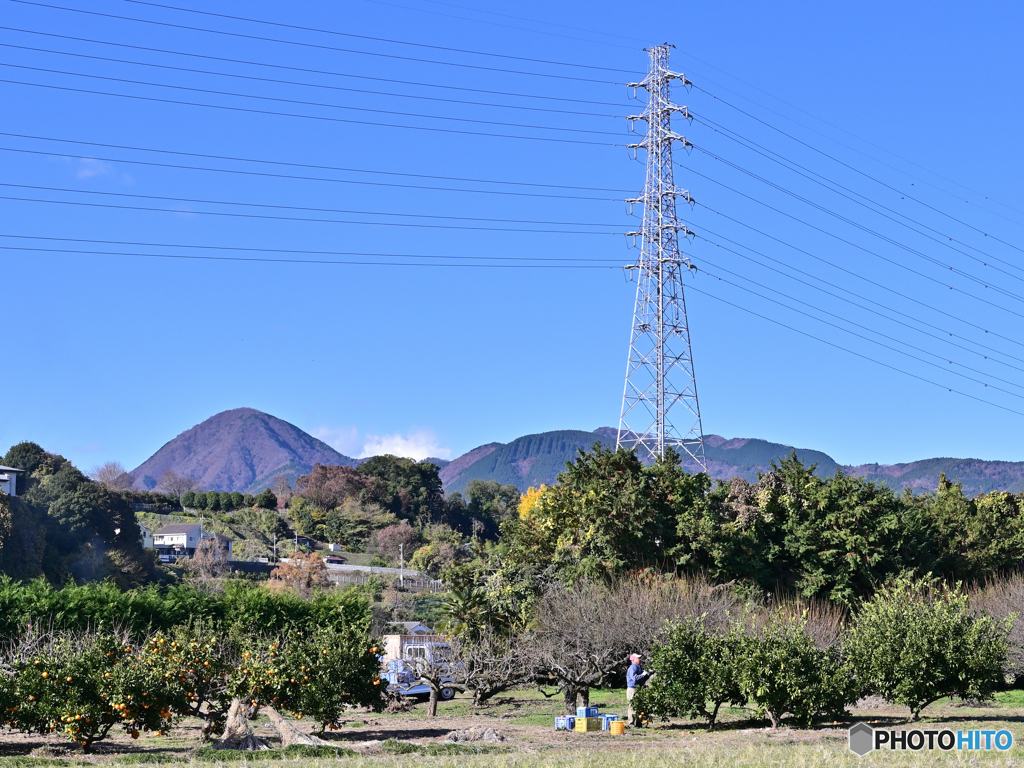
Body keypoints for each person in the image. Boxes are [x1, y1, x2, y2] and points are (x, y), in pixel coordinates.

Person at [626, 653, 651, 727]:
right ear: (633, 660)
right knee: (632, 705)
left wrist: (649, 673)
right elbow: (634, 678)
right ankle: (631, 723)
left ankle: (638, 723)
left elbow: (642, 679)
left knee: (639, 705)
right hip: (632, 689)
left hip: (638, 688)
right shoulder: (633, 667)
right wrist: (643, 674)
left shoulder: (638, 667)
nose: (639, 659)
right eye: (638, 658)